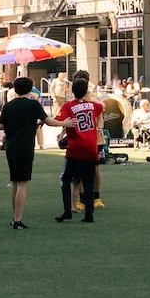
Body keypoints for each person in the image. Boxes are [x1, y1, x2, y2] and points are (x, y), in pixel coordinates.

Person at [0, 76, 47, 229]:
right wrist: (65, 123)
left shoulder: (8, 105)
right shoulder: (33, 105)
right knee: (23, 183)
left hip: (11, 147)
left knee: (15, 182)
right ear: (30, 89)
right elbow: (47, 120)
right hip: (25, 147)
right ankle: (18, 220)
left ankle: (15, 216)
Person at [52, 74, 102, 224]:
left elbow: (59, 120)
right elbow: (101, 107)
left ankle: (68, 210)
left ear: (72, 90)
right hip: (91, 147)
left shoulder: (69, 106)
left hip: (75, 147)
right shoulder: (93, 105)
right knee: (88, 180)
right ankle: (89, 214)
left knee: (66, 178)